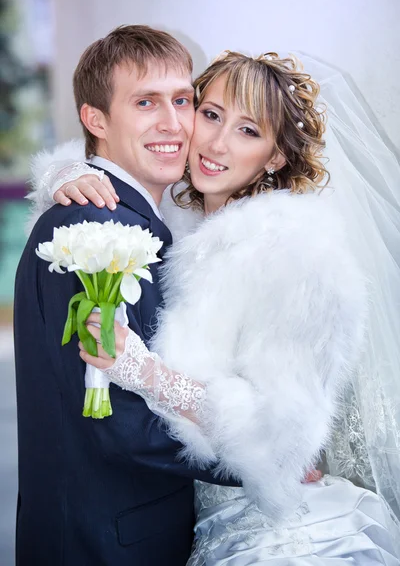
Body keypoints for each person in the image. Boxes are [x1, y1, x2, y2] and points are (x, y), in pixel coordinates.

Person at [31, 49, 400, 563]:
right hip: (191, 521)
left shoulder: (293, 252)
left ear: (275, 156)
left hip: (266, 531)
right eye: (210, 114)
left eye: (249, 131)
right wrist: (66, 173)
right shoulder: (179, 228)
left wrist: (148, 374)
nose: (217, 143)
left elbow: (279, 433)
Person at [13, 25, 243, 566]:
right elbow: (116, 422)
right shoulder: (93, 231)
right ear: (96, 120)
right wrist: (254, 461)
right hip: (106, 540)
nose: (173, 123)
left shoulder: (144, 217)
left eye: (182, 100)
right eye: (146, 102)